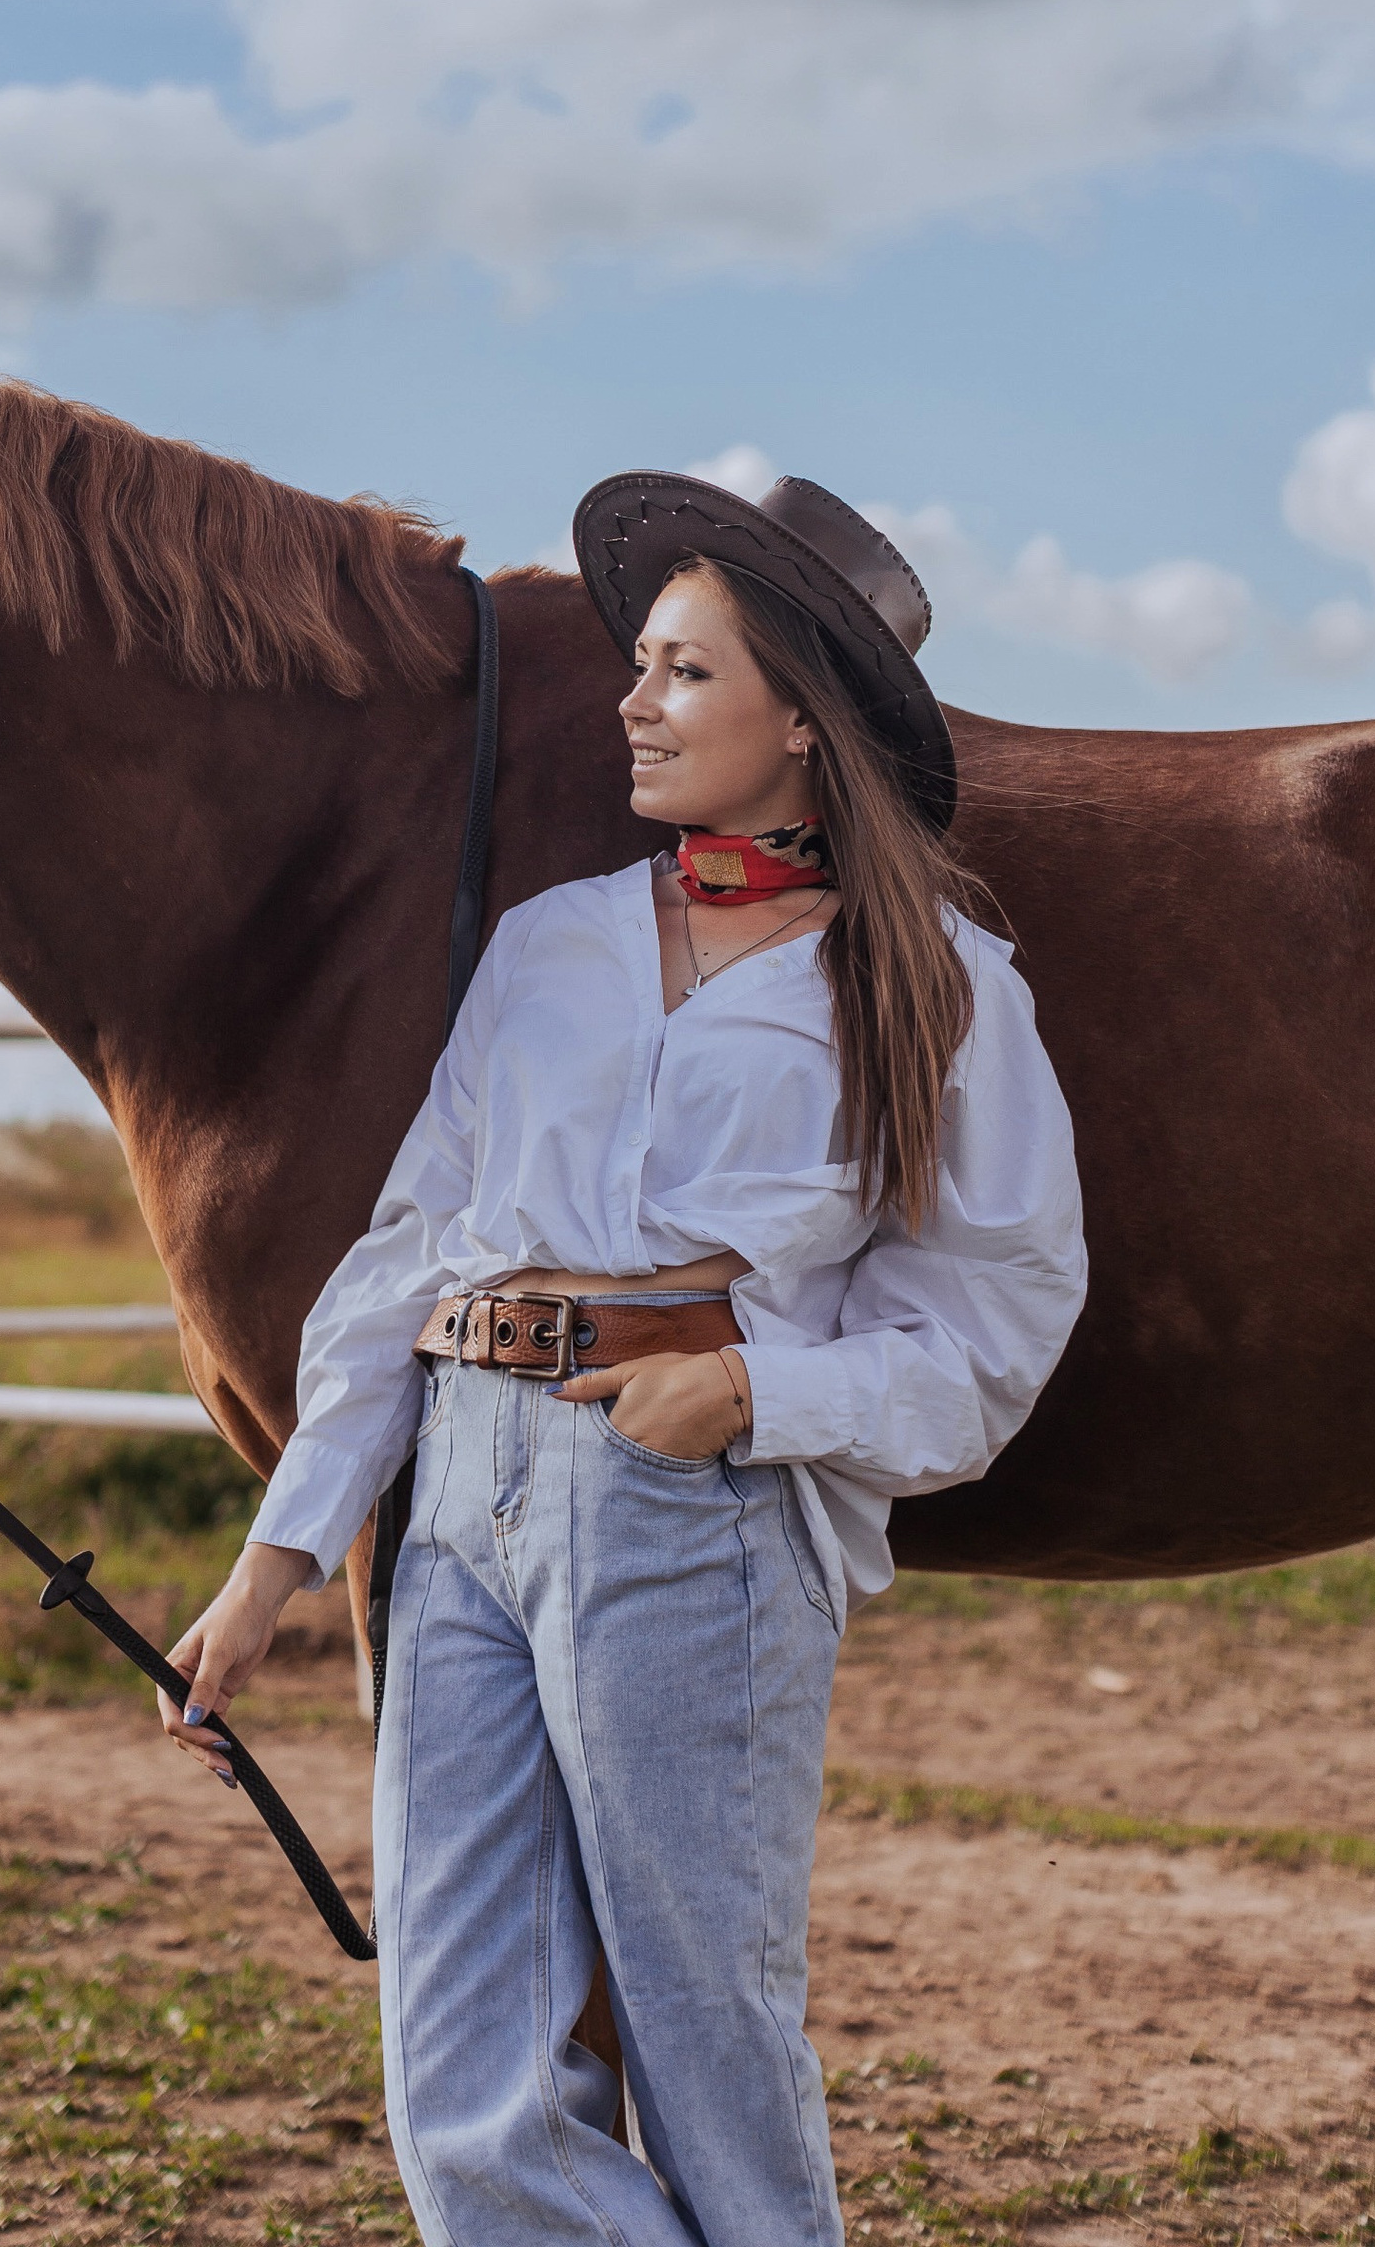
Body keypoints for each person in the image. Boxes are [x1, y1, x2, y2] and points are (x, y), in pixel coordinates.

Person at [163, 466, 1087, 2246]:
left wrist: (753, 1395)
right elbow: (416, 1248)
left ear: (805, 727)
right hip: (460, 1503)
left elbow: (996, 1322)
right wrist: (276, 1559)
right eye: (640, 664)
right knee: (467, 2100)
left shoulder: (935, 985)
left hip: (693, 1502)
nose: (630, 703)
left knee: (708, 2055)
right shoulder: (550, 946)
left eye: (682, 674)